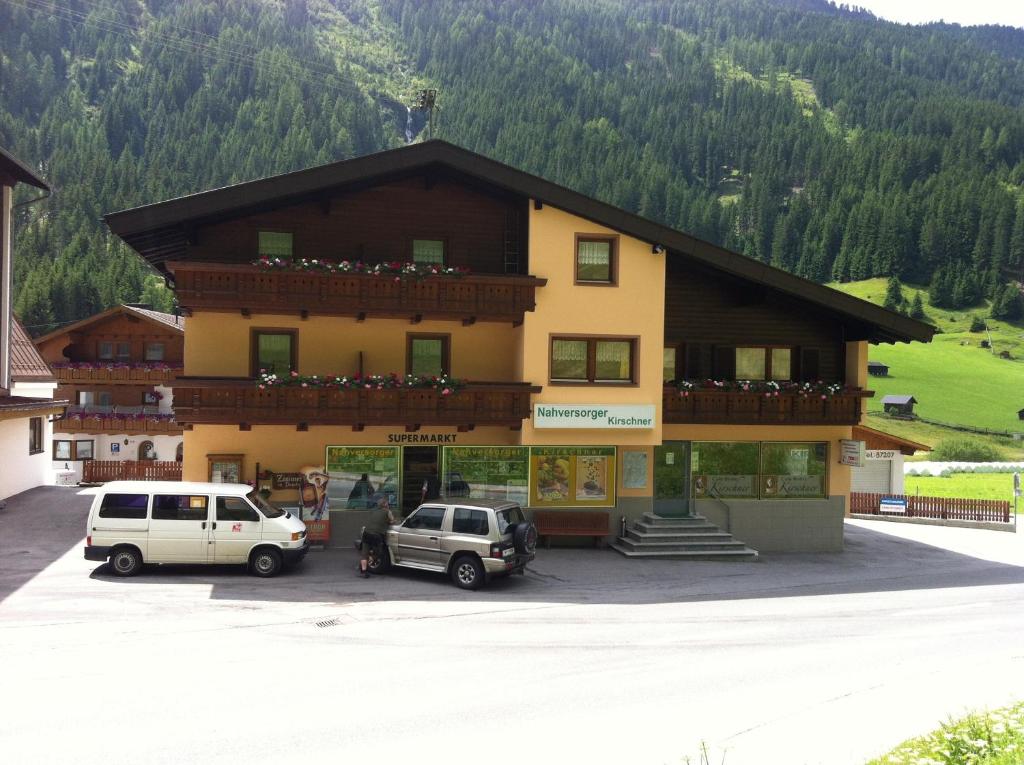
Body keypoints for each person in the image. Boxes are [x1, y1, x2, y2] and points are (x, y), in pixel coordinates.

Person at [359, 496, 394, 578]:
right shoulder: (387, 511)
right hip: (376, 535)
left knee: (364, 553)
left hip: (366, 533)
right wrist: (389, 521)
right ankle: (372, 559)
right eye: (387, 503)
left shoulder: (373, 511)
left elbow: (374, 520)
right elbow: (392, 521)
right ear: (385, 504)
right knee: (379, 553)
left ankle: (364, 571)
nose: (388, 504)